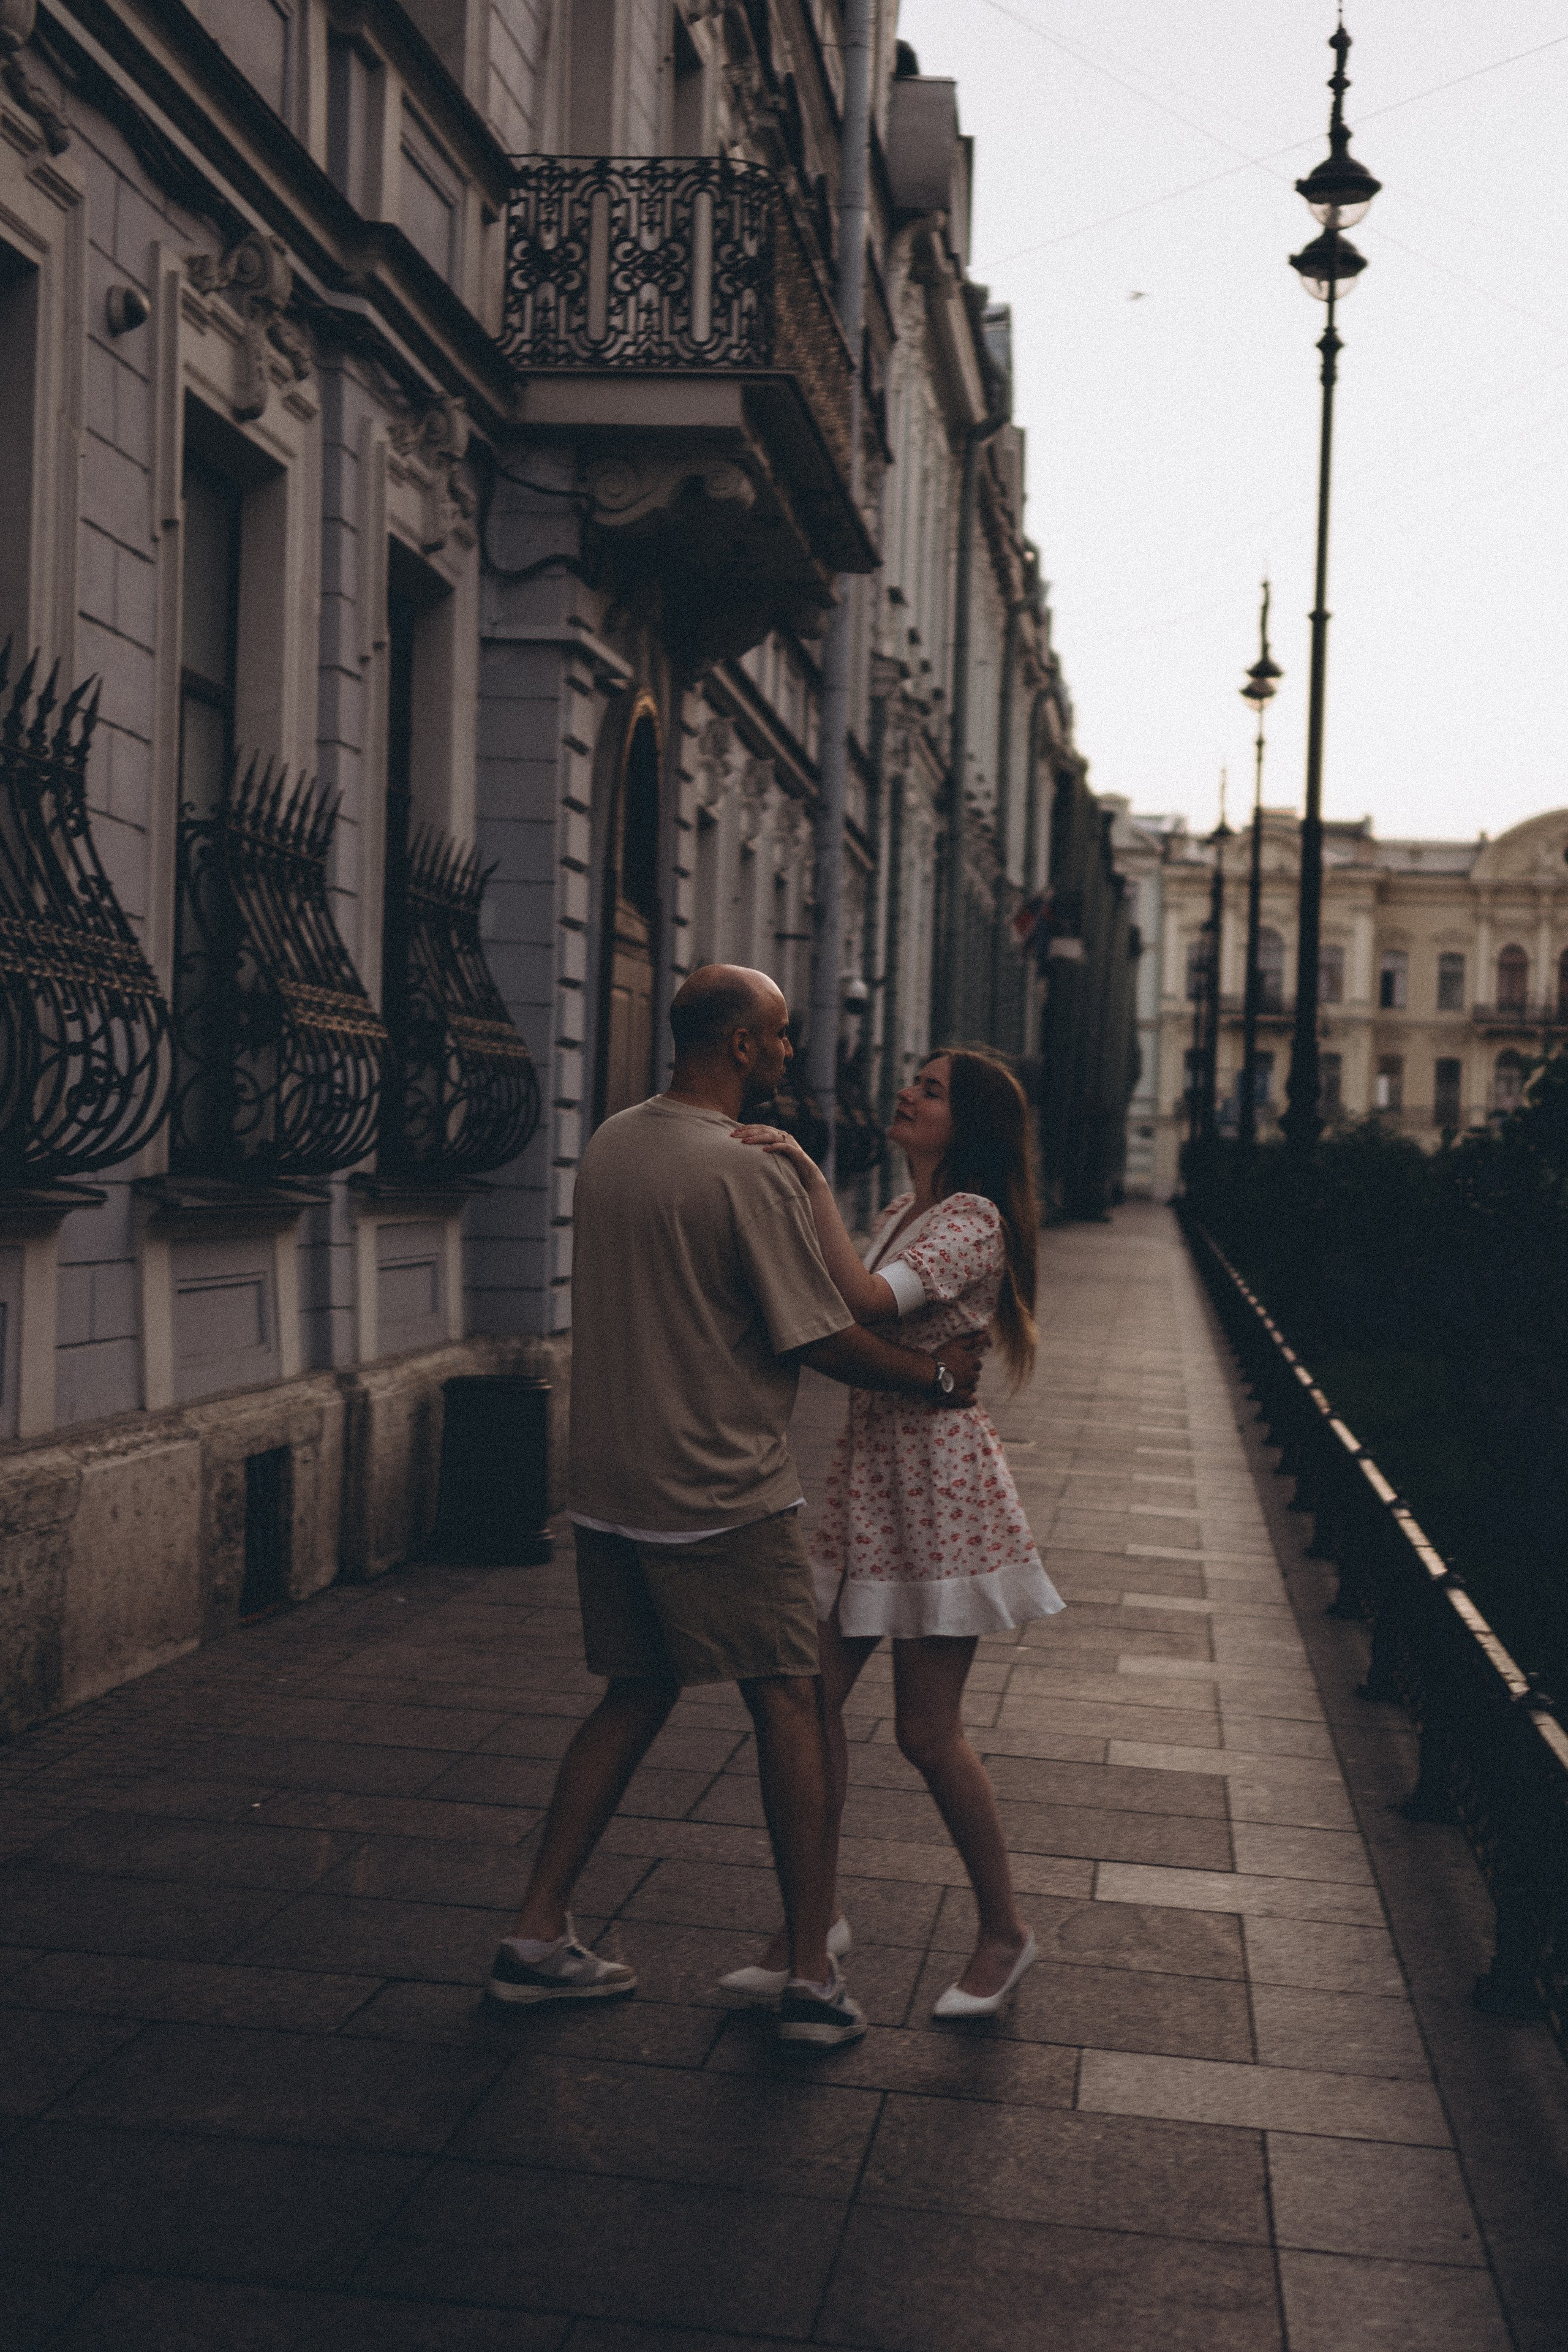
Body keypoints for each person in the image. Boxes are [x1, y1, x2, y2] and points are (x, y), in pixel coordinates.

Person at [486, 968, 986, 2048]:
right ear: (742, 1047)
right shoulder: (741, 1172)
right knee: (793, 1706)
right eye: (778, 1036)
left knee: (634, 1692)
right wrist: (938, 1379)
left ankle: (535, 1936)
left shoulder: (614, 1140)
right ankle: (811, 1976)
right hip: (719, 1487)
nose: (789, 1050)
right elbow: (821, 1334)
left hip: (611, 1485)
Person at [725, 1047, 1063, 2018]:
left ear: (973, 1125)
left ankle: (1005, 1931)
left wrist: (801, 1171)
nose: (909, 1093)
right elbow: (842, 1324)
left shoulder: (970, 1221)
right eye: (912, 1080)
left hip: (939, 1490)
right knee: (806, 1702)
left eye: (932, 1089)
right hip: (872, 1475)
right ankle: (811, 1923)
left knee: (926, 1732)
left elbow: (862, 1307)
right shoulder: (898, 1216)